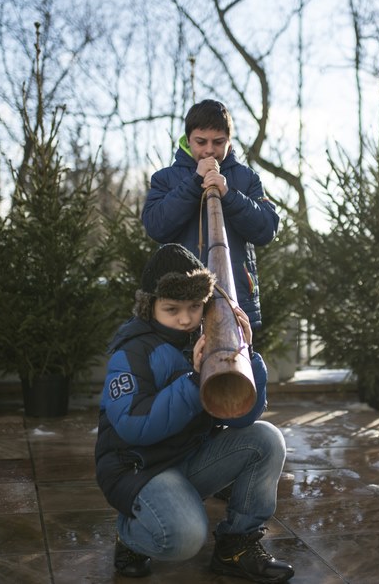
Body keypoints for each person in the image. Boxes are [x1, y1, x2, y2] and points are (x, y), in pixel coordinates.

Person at [94, 243, 294, 583]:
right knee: (184, 538)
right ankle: (129, 534)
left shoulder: (208, 339)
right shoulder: (131, 352)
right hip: (140, 469)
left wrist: (245, 352)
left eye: (194, 307)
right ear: (149, 305)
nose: (185, 319)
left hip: (188, 458)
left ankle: (237, 545)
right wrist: (193, 381)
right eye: (172, 309)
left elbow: (239, 419)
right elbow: (134, 426)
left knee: (266, 439)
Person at [141, 99, 279, 343]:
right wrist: (195, 183)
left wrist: (229, 195)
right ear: (187, 140)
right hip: (182, 303)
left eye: (218, 142)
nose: (209, 150)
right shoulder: (164, 179)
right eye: (201, 142)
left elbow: (266, 229)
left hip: (235, 300)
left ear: (229, 141)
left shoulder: (247, 179)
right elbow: (156, 226)